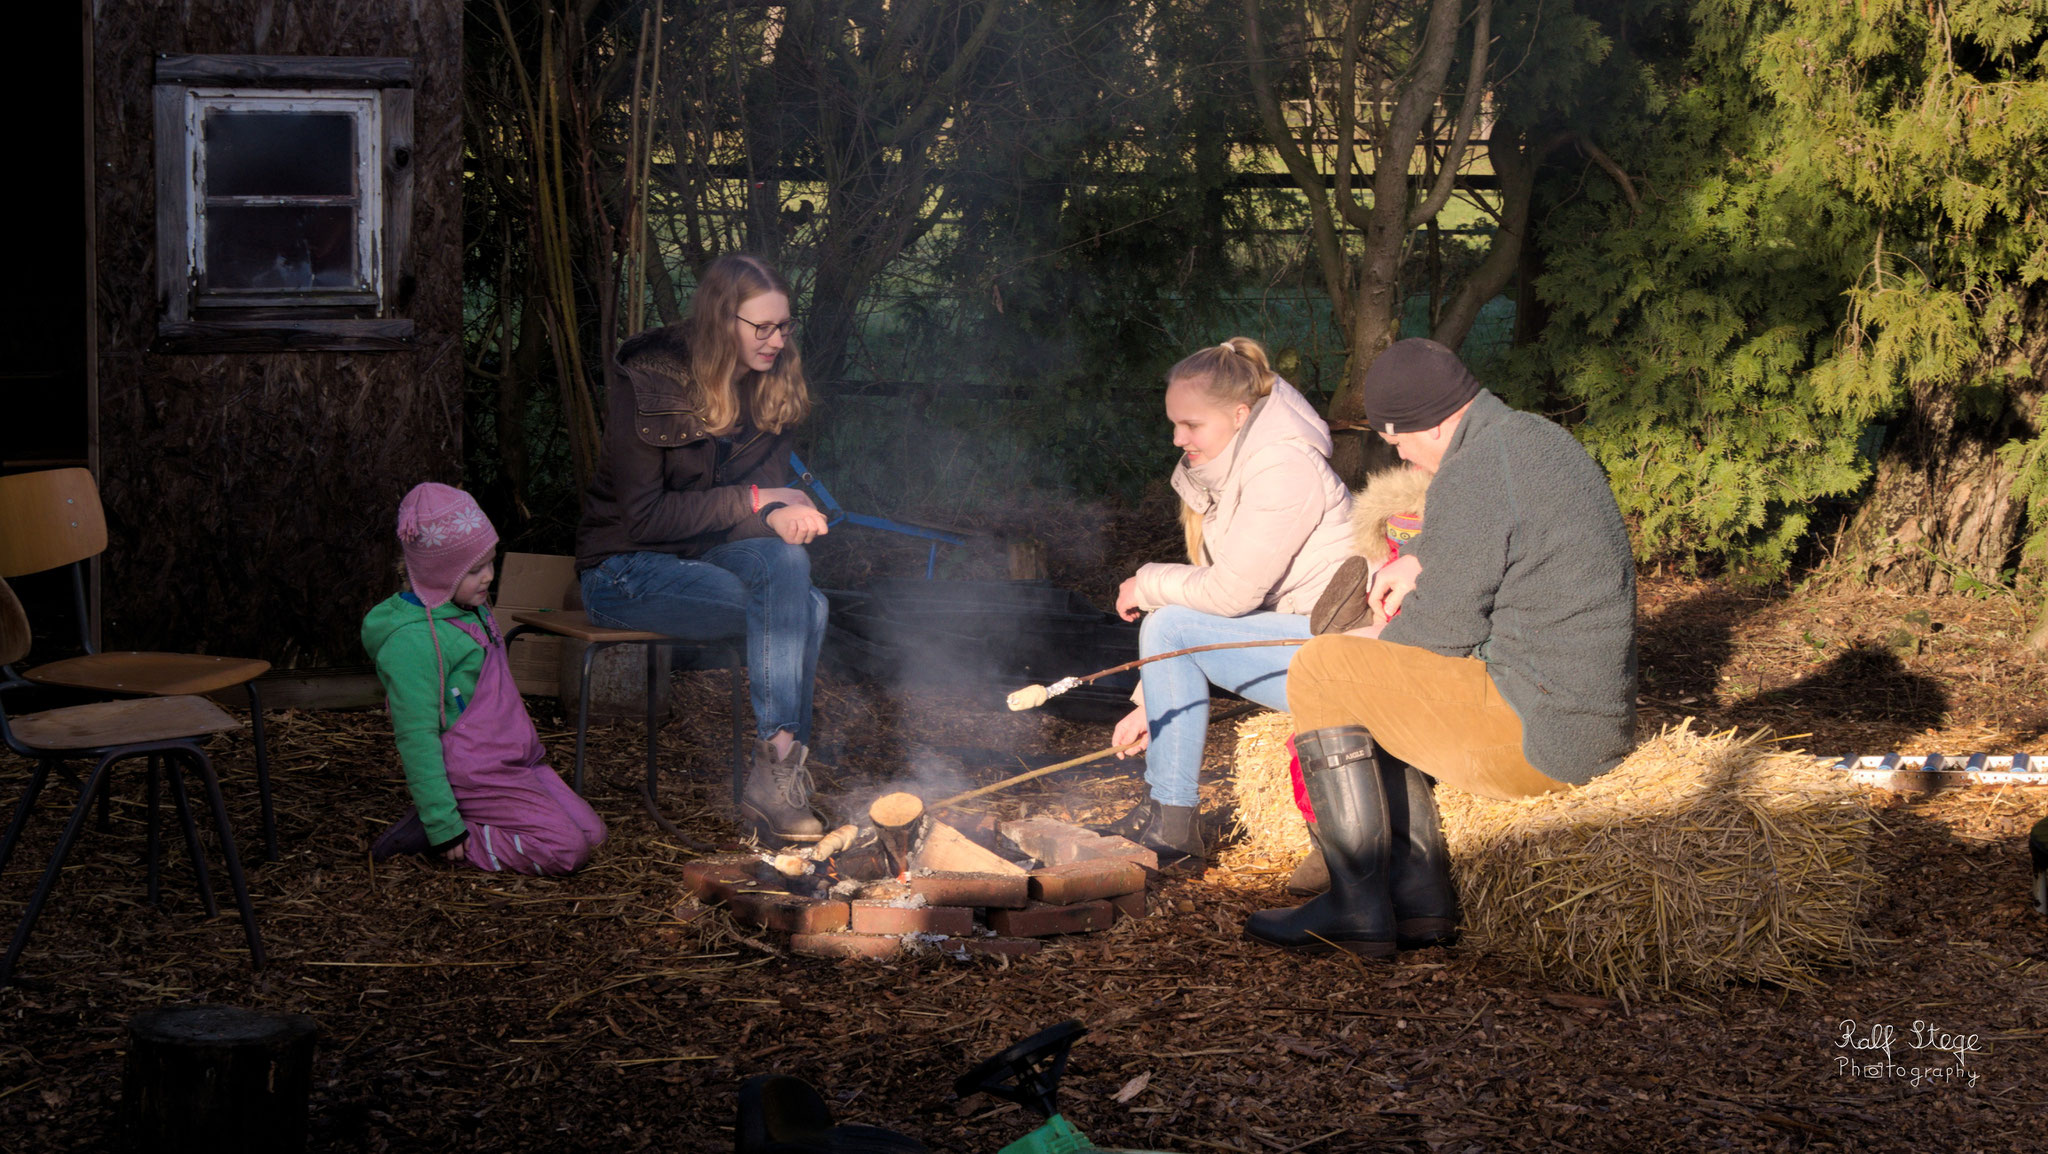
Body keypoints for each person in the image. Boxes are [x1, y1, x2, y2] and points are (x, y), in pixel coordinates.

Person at [1244, 338, 1638, 957]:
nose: (1400, 454)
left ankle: (1356, 908)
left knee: (1324, 668)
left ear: (1422, 425)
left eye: (1396, 441)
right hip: (1585, 721)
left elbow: (1437, 636)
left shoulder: (1472, 470)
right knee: (1374, 678)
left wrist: (1368, 642)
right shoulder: (1532, 440)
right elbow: (1507, 541)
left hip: (1539, 736)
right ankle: (1419, 903)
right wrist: (1423, 562)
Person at [575, 253, 832, 844]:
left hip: (703, 559)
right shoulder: (651, 383)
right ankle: (778, 778)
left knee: (788, 564)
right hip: (623, 571)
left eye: (784, 326)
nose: (775, 340)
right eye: (760, 327)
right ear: (722, 321)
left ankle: (777, 761)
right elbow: (644, 518)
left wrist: (780, 518)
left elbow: (743, 519)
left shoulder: (773, 389)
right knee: (807, 610)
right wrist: (756, 501)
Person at [1099, 337, 1359, 868]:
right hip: (1297, 638)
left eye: (1191, 425)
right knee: (1173, 623)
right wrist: (1150, 697)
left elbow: (1230, 595)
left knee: (1168, 619)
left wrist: (1145, 581)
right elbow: (1214, 612)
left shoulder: (1283, 468)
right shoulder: (1239, 466)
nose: (1177, 438)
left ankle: (1172, 829)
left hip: (1343, 655)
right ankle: (1165, 817)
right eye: (1174, 423)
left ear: (1240, 414)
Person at [363, 483, 609, 874]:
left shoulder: (466, 606)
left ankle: (471, 821)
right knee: (566, 852)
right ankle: (445, 834)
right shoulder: (412, 641)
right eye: (474, 569)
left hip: (519, 762)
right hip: (476, 775)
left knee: (593, 834)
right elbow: (417, 739)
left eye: (491, 562)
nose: (489, 577)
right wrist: (444, 826)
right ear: (436, 573)